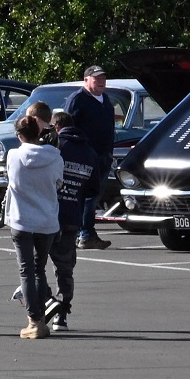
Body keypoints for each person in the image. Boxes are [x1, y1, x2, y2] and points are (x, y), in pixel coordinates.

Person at [4, 116, 62, 339]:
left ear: (19, 136)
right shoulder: (55, 156)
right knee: (39, 268)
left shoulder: (13, 156)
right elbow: (59, 182)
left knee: (26, 271)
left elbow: (12, 179)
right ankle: (41, 319)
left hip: (21, 219)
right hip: (46, 219)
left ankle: (34, 320)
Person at [46, 111, 94, 331]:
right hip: (73, 215)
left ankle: (45, 307)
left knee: (34, 266)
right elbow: (94, 187)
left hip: (48, 215)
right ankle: (61, 314)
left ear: (56, 127)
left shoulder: (55, 147)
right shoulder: (89, 151)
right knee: (64, 268)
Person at [66, 65, 117, 249]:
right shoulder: (77, 100)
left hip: (103, 156)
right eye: (97, 78)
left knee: (94, 196)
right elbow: (67, 128)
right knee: (85, 197)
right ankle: (83, 234)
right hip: (85, 156)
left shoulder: (105, 100)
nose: (101, 82)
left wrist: (109, 153)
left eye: (103, 78)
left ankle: (87, 232)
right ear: (86, 80)